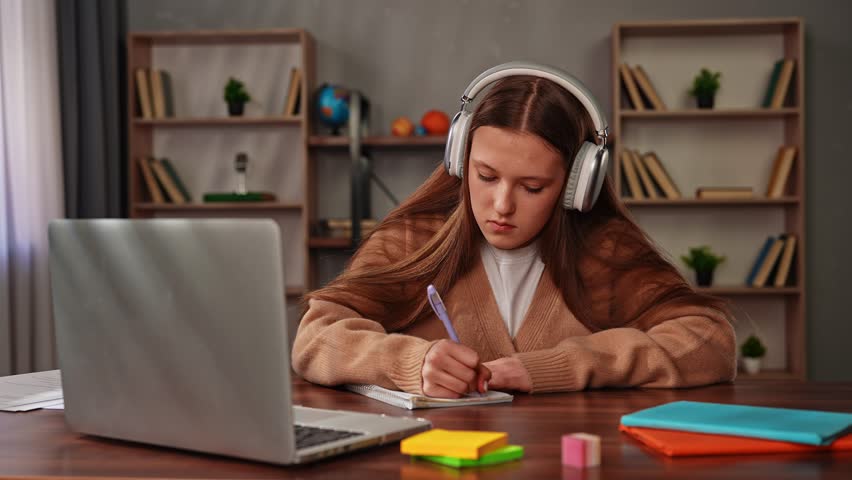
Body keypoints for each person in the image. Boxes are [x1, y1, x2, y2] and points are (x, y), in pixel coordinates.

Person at [292, 63, 736, 399]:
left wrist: (562, 365)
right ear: (459, 161)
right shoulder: (414, 240)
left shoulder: (605, 251)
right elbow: (315, 336)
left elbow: (709, 341)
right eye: (486, 177)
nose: (502, 205)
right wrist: (412, 360)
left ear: (576, 186)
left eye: (532, 187)